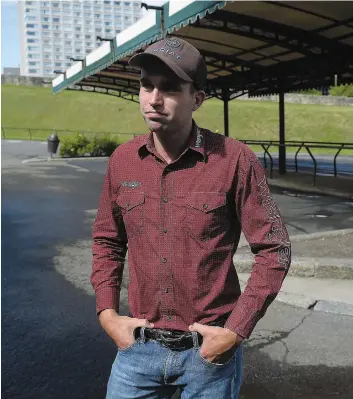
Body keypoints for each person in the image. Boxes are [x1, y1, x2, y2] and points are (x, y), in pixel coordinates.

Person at [91, 37, 291, 399]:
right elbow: (107, 241)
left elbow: (274, 249)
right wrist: (107, 314)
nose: (153, 98)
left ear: (197, 98)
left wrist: (235, 331)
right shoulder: (122, 161)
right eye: (146, 85)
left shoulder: (234, 160)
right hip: (137, 350)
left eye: (169, 88)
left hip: (208, 355)